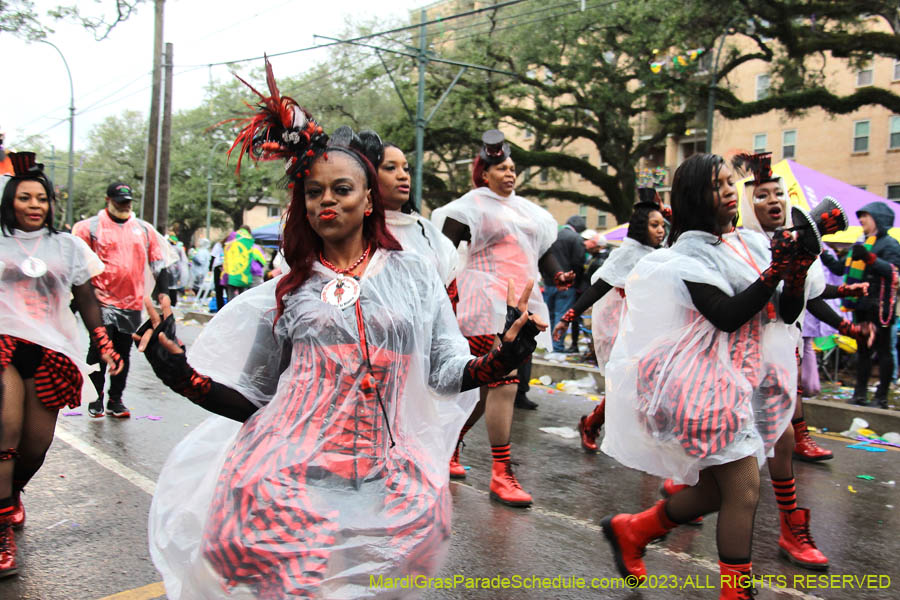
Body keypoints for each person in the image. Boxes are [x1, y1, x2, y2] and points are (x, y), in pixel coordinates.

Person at [137, 61, 545, 599]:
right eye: (314, 192)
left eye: (342, 188)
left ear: (368, 198)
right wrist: (180, 375)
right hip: (291, 475)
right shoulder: (290, 291)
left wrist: (503, 357)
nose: (326, 200)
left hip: (384, 473)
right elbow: (256, 402)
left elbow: (444, 372)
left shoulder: (413, 272)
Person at [600, 153, 815, 599]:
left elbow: (784, 312)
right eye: (718, 185)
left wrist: (795, 272)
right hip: (699, 386)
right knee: (744, 490)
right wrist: (776, 271)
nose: (730, 191)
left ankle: (633, 530)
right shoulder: (686, 255)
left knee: (717, 493)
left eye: (730, 182)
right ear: (696, 197)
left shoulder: (748, 244)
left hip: (737, 382)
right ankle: (736, 592)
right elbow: (726, 316)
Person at [432, 129, 574, 506]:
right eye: (501, 168)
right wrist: (437, 293)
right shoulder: (470, 206)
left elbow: (541, 251)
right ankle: (501, 473)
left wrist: (558, 275)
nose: (509, 173)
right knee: (503, 384)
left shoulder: (529, 211)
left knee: (488, 392)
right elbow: (443, 253)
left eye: (513, 168)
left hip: (521, 304)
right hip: (483, 303)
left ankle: (450, 445)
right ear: (484, 173)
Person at [0, 152, 122, 577]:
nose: (34, 205)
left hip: (51, 350)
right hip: (3, 345)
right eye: (25, 197)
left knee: (36, 445)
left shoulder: (68, 246)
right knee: (5, 427)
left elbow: (86, 298)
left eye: (41, 198)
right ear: (10, 201)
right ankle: (1, 529)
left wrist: (102, 341)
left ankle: (12, 493)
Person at [552, 196, 667, 452]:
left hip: (655, 328)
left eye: (663, 225)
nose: (661, 230)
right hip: (626, 329)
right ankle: (593, 424)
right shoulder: (626, 255)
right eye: (654, 225)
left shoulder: (662, 254)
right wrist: (567, 317)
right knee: (628, 384)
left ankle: (645, 439)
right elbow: (598, 288)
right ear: (641, 227)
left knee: (648, 385)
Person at [72, 181, 170, 419]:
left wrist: (164, 293)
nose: (125, 206)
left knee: (123, 351)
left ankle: (115, 399)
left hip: (130, 303)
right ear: (108, 201)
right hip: (99, 302)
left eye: (127, 202)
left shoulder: (143, 230)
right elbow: (76, 265)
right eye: (119, 202)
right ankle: (95, 397)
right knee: (99, 350)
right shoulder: (89, 228)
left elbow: (158, 263)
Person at [821, 200, 900, 408]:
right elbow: (839, 269)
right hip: (861, 306)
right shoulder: (861, 243)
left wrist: (869, 258)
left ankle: (881, 398)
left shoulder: (890, 244)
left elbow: (893, 273)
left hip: (880, 308)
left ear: (879, 220)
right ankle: (860, 395)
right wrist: (822, 252)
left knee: (883, 351)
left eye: (866, 216)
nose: (861, 220)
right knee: (863, 351)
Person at [544, 215, 587, 353]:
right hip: (567, 283)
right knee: (561, 315)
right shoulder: (576, 239)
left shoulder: (553, 235)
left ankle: (549, 345)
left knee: (550, 315)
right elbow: (578, 262)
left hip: (549, 281)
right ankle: (557, 346)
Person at [222, 225, 266, 300]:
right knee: (251, 298)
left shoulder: (232, 245)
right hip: (252, 274)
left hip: (234, 275)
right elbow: (262, 261)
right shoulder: (253, 247)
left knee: (232, 298)